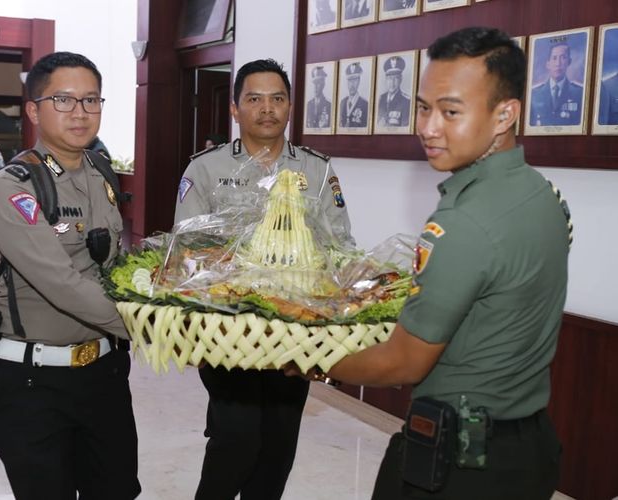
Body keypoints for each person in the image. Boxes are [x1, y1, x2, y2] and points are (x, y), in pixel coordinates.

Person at [323, 27, 570, 499]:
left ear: (505, 114)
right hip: (528, 449)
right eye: (423, 107)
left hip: (460, 466)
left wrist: (315, 366)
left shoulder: (465, 222)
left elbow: (404, 362)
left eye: (450, 111)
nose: (428, 127)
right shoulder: (542, 194)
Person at [175, 58, 354, 500]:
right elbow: (186, 250)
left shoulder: (317, 171)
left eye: (277, 98)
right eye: (254, 99)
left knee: (277, 448)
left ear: (291, 106)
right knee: (236, 439)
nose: (267, 109)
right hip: (227, 329)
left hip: (295, 331)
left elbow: (340, 246)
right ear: (235, 109)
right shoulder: (205, 170)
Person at [0, 51, 140, 500]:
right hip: (32, 385)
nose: (81, 113)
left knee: (118, 491)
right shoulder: (12, 187)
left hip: (103, 375)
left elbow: (111, 268)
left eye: (91, 100)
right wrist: (156, 330)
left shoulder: (102, 173)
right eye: (64, 100)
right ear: (33, 109)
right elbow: (61, 283)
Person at [529, 41, 583, 126]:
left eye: (563, 58)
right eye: (554, 58)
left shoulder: (580, 93)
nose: (558, 63)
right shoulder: (534, 94)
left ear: (569, 62)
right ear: (548, 64)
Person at [376, 56, 411, 127]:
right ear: (386, 79)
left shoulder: (406, 101)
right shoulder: (380, 99)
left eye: (396, 78)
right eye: (389, 78)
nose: (392, 82)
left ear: (400, 79)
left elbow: (405, 127)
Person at [339, 62, 369, 128]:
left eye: (354, 80)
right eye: (349, 80)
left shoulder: (365, 104)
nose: (352, 84)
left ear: (359, 81)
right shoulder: (343, 102)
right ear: (347, 82)